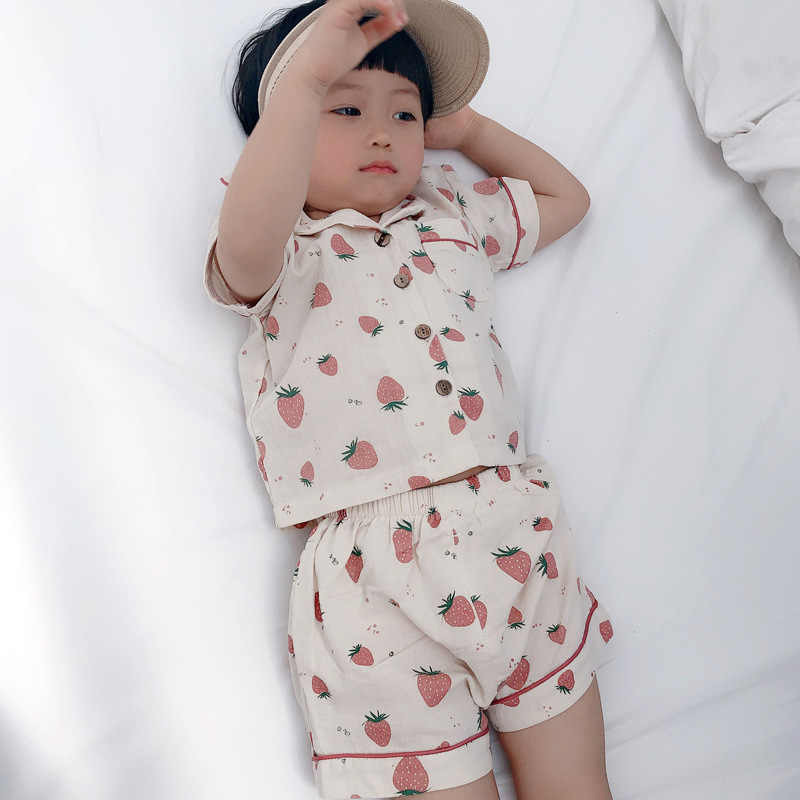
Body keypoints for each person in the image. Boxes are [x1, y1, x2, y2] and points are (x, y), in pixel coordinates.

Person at [204, 0, 615, 797]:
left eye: (405, 112)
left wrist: (470, 131)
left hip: (514, 537)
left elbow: (568, 200)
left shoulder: (450, 213)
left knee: (577, 785)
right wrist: (300, 88)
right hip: (373, 586)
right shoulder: (283, 247)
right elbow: (242, 247)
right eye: (345, 109)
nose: (384, 133)